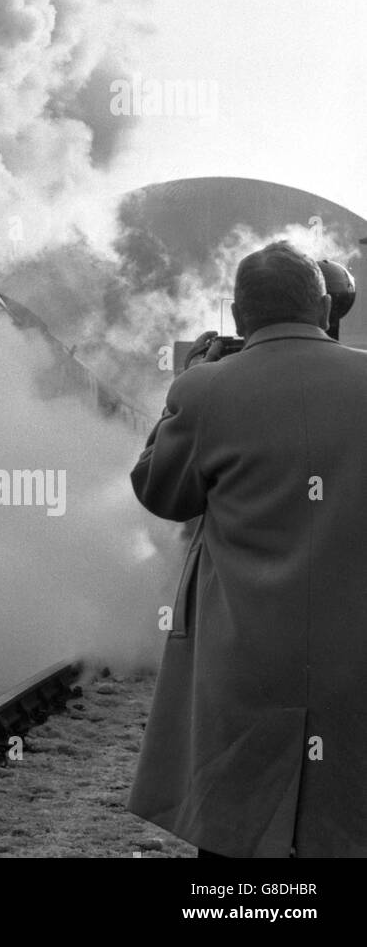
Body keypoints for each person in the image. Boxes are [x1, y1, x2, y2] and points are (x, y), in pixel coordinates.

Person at [128, 241, 367, 857]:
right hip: (354, 658)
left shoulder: (207, 390)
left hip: (242, 662)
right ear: (323, 307)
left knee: (236, 841)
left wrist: (182, 389)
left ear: (237, 317)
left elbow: (161, 492)